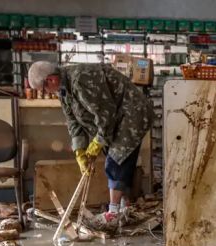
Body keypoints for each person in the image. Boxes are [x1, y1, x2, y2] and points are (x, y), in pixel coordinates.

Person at [27, 61, 154, 224]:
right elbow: (73, 121)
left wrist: (96, 144)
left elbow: (105, 114)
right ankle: (123, 207)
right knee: (114, 156)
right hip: (115, 120)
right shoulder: (63, 89)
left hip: (131, 114)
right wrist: (79, 151)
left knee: (116, 159)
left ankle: (113, 213)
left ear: (51, 80)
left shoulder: (81, 79)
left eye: (44, 89)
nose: (47, 93)